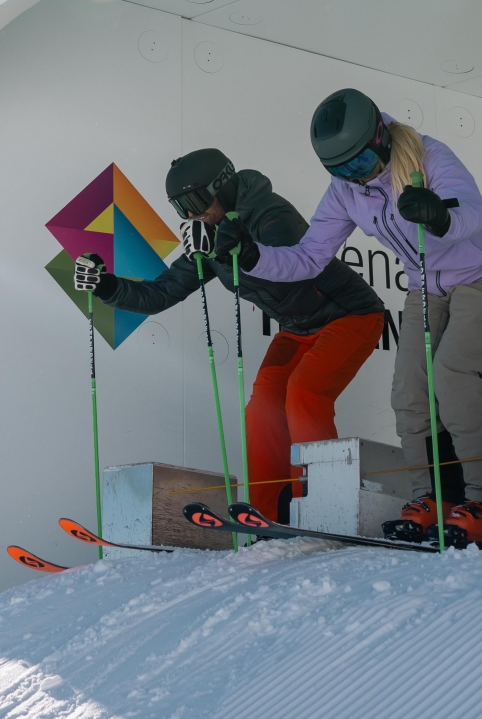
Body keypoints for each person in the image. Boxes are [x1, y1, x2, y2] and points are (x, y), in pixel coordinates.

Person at [239, 89, 482, 548]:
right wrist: (252, 256)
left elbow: (471, 211)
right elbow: (309, 257)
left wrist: (439, 216)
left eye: (360, 161)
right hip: (427, 287)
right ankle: (434, 498)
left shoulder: (428, 156)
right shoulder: (347, 190)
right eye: (341, 169)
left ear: (380, 138)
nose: (356, 175)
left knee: (452, 377)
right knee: (410, 392)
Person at [74, 149, 384, 522]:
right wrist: (106, 286)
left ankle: (324, 504)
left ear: (222, 186)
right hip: (298, 328)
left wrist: (223, 251)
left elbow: (286, 275)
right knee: (262, 408)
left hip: (352, 315)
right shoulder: (210, 237)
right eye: (181, 208)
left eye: (196, 201)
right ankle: (271, 514)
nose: (191, 215)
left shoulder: (272, 215)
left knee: (304, 393)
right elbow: (161, 293)